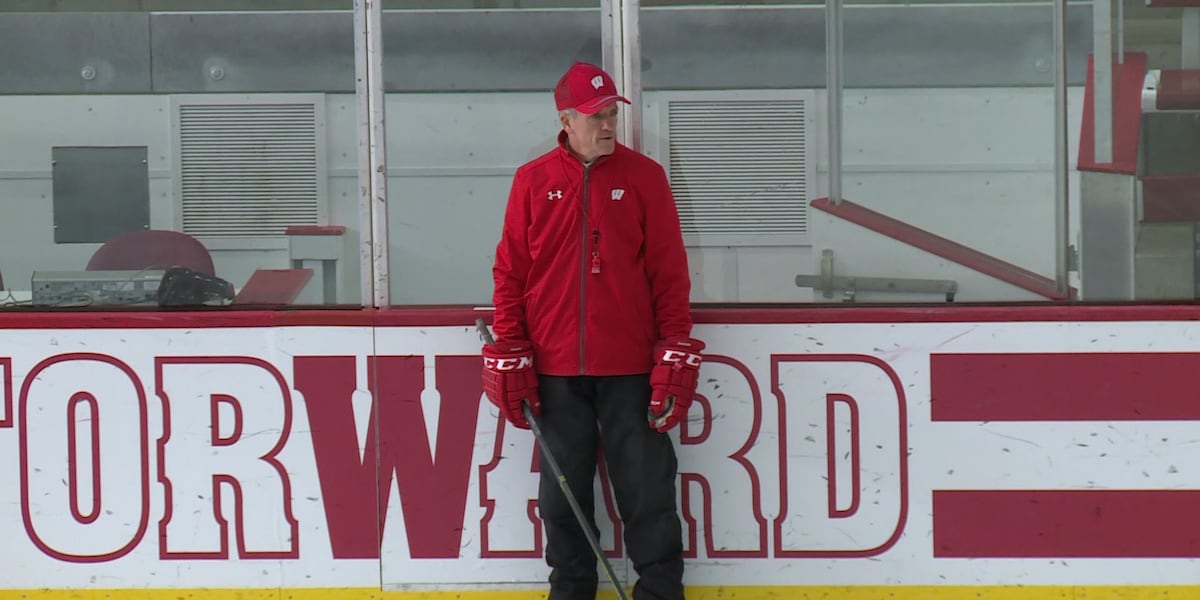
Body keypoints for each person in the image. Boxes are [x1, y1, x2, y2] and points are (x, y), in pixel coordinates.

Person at [481, 61, 705, 600]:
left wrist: (673, 348)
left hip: (631, 368)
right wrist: (510, 346)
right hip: (555, 370)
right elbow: (511, 271)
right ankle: (572, 591)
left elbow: (669, 273)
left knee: (647, 491)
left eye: (611, 114)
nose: (608, 125)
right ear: (566, 119)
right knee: (563, 498)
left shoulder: (645, 176)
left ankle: (660, 592)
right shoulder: (532, 181)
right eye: (596, 116)